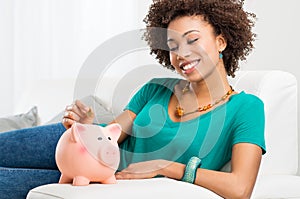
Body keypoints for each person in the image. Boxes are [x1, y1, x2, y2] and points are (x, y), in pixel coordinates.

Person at [0, 0, 265, 198]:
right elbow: (111, 136)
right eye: (172, 46)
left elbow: (240, 188)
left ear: (221, 42)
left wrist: (166, 167)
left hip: (102, 180)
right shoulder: (154, 89)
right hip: (75, 147)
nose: (181, 54)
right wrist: (90, 127)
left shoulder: (246, 108)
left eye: (192, 40)